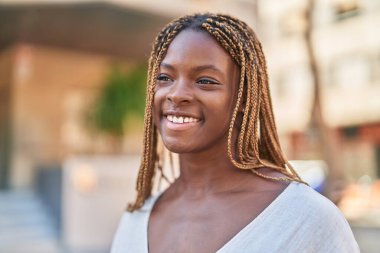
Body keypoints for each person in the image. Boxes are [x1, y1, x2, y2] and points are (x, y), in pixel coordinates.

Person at [111, 13, 359, 253]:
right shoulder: (136, 220)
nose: (176, 94)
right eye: (165, 77)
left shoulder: (305, 217)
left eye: (205, 81)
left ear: (243, 98)